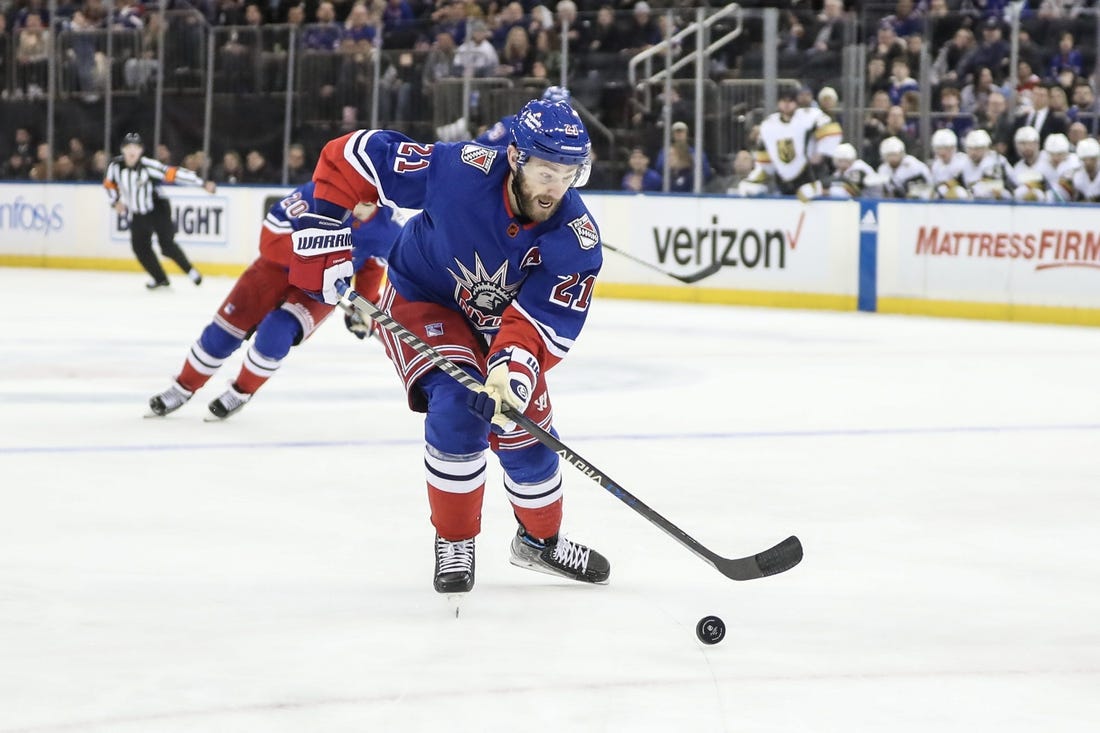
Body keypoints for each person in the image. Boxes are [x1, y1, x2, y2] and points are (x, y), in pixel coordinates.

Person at [290, 99, 611, 594]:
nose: (556, 187)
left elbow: (543, 322)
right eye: (547, 171)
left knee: (527, 434)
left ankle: (540, 543)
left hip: (503, 326)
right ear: (516, 158)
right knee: (459, 408)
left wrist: (513, 374)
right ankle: (456, 538)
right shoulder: (459, 171)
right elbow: (352, 155)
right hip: (424, 298)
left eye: (569, 174)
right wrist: (325, 227)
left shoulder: (577, 239)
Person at [147, 181, 401, 420]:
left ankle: (240, 392)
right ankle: (182, 387)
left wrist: (363, 308)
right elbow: (270, 240)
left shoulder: (387, 228)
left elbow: (371, 267)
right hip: (272, 272)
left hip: (319, 291)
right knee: (222, 335)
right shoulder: (318, 193)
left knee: (275, 335)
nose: (362, 204)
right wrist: (311, 265)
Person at [103, 133, 216, 290]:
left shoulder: (148, 166)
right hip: (137, 212)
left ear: (141, 150)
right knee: (140, 248)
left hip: (157, 209)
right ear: (123, 150)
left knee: (167, 245)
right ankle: (160, 278)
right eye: (128, 147)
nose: (132, 151)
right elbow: (109, 184)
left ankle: (190, 271)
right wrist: (115, 201)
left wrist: (201, 183)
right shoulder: (115, 166)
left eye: (135, 147)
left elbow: (174, 174)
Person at [739, 86, 842, 199]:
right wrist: (755, 180)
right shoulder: (769, 124)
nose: (787, 104)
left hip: (812, 178)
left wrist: (821, 152)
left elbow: (833, 131)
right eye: (784, 101)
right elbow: (765, 160)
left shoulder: (810, 116)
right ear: (778, 103)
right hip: (784, 184)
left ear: (796, 102)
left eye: (791, 101)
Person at [475, 85, 571, 146]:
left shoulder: (573, 135)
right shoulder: (514, 124)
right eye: (552, 110)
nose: (557, 115)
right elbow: (477, 144)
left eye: (563, 111)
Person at [1069, 137, 1100, 201]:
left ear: (1097, 158)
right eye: (1085, 159)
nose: (1088, 162)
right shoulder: (1071, 175)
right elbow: (1059, 197)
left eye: (1092, 159)